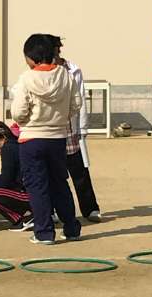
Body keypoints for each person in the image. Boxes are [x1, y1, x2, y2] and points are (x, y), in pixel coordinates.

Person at [11, 34, 82, 244]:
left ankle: (44, 232)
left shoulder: (26, 78)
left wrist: (27, 122)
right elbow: (76, 104)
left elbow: (18, 112)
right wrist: (60, 118)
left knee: (37, 186)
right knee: (59, 183)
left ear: (30, 57)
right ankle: (71, 229)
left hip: (31, 139)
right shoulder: (65, 76)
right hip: (57, 138)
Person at [47, 34, 101, 222]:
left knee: (79, 170)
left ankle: (90, 208)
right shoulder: (39, 71)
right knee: (51, 173)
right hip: (49, 128)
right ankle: (51, 211)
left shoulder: (72, 70)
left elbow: (80, 98)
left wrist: (82, 128)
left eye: (56, 50)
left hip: (70, 128)